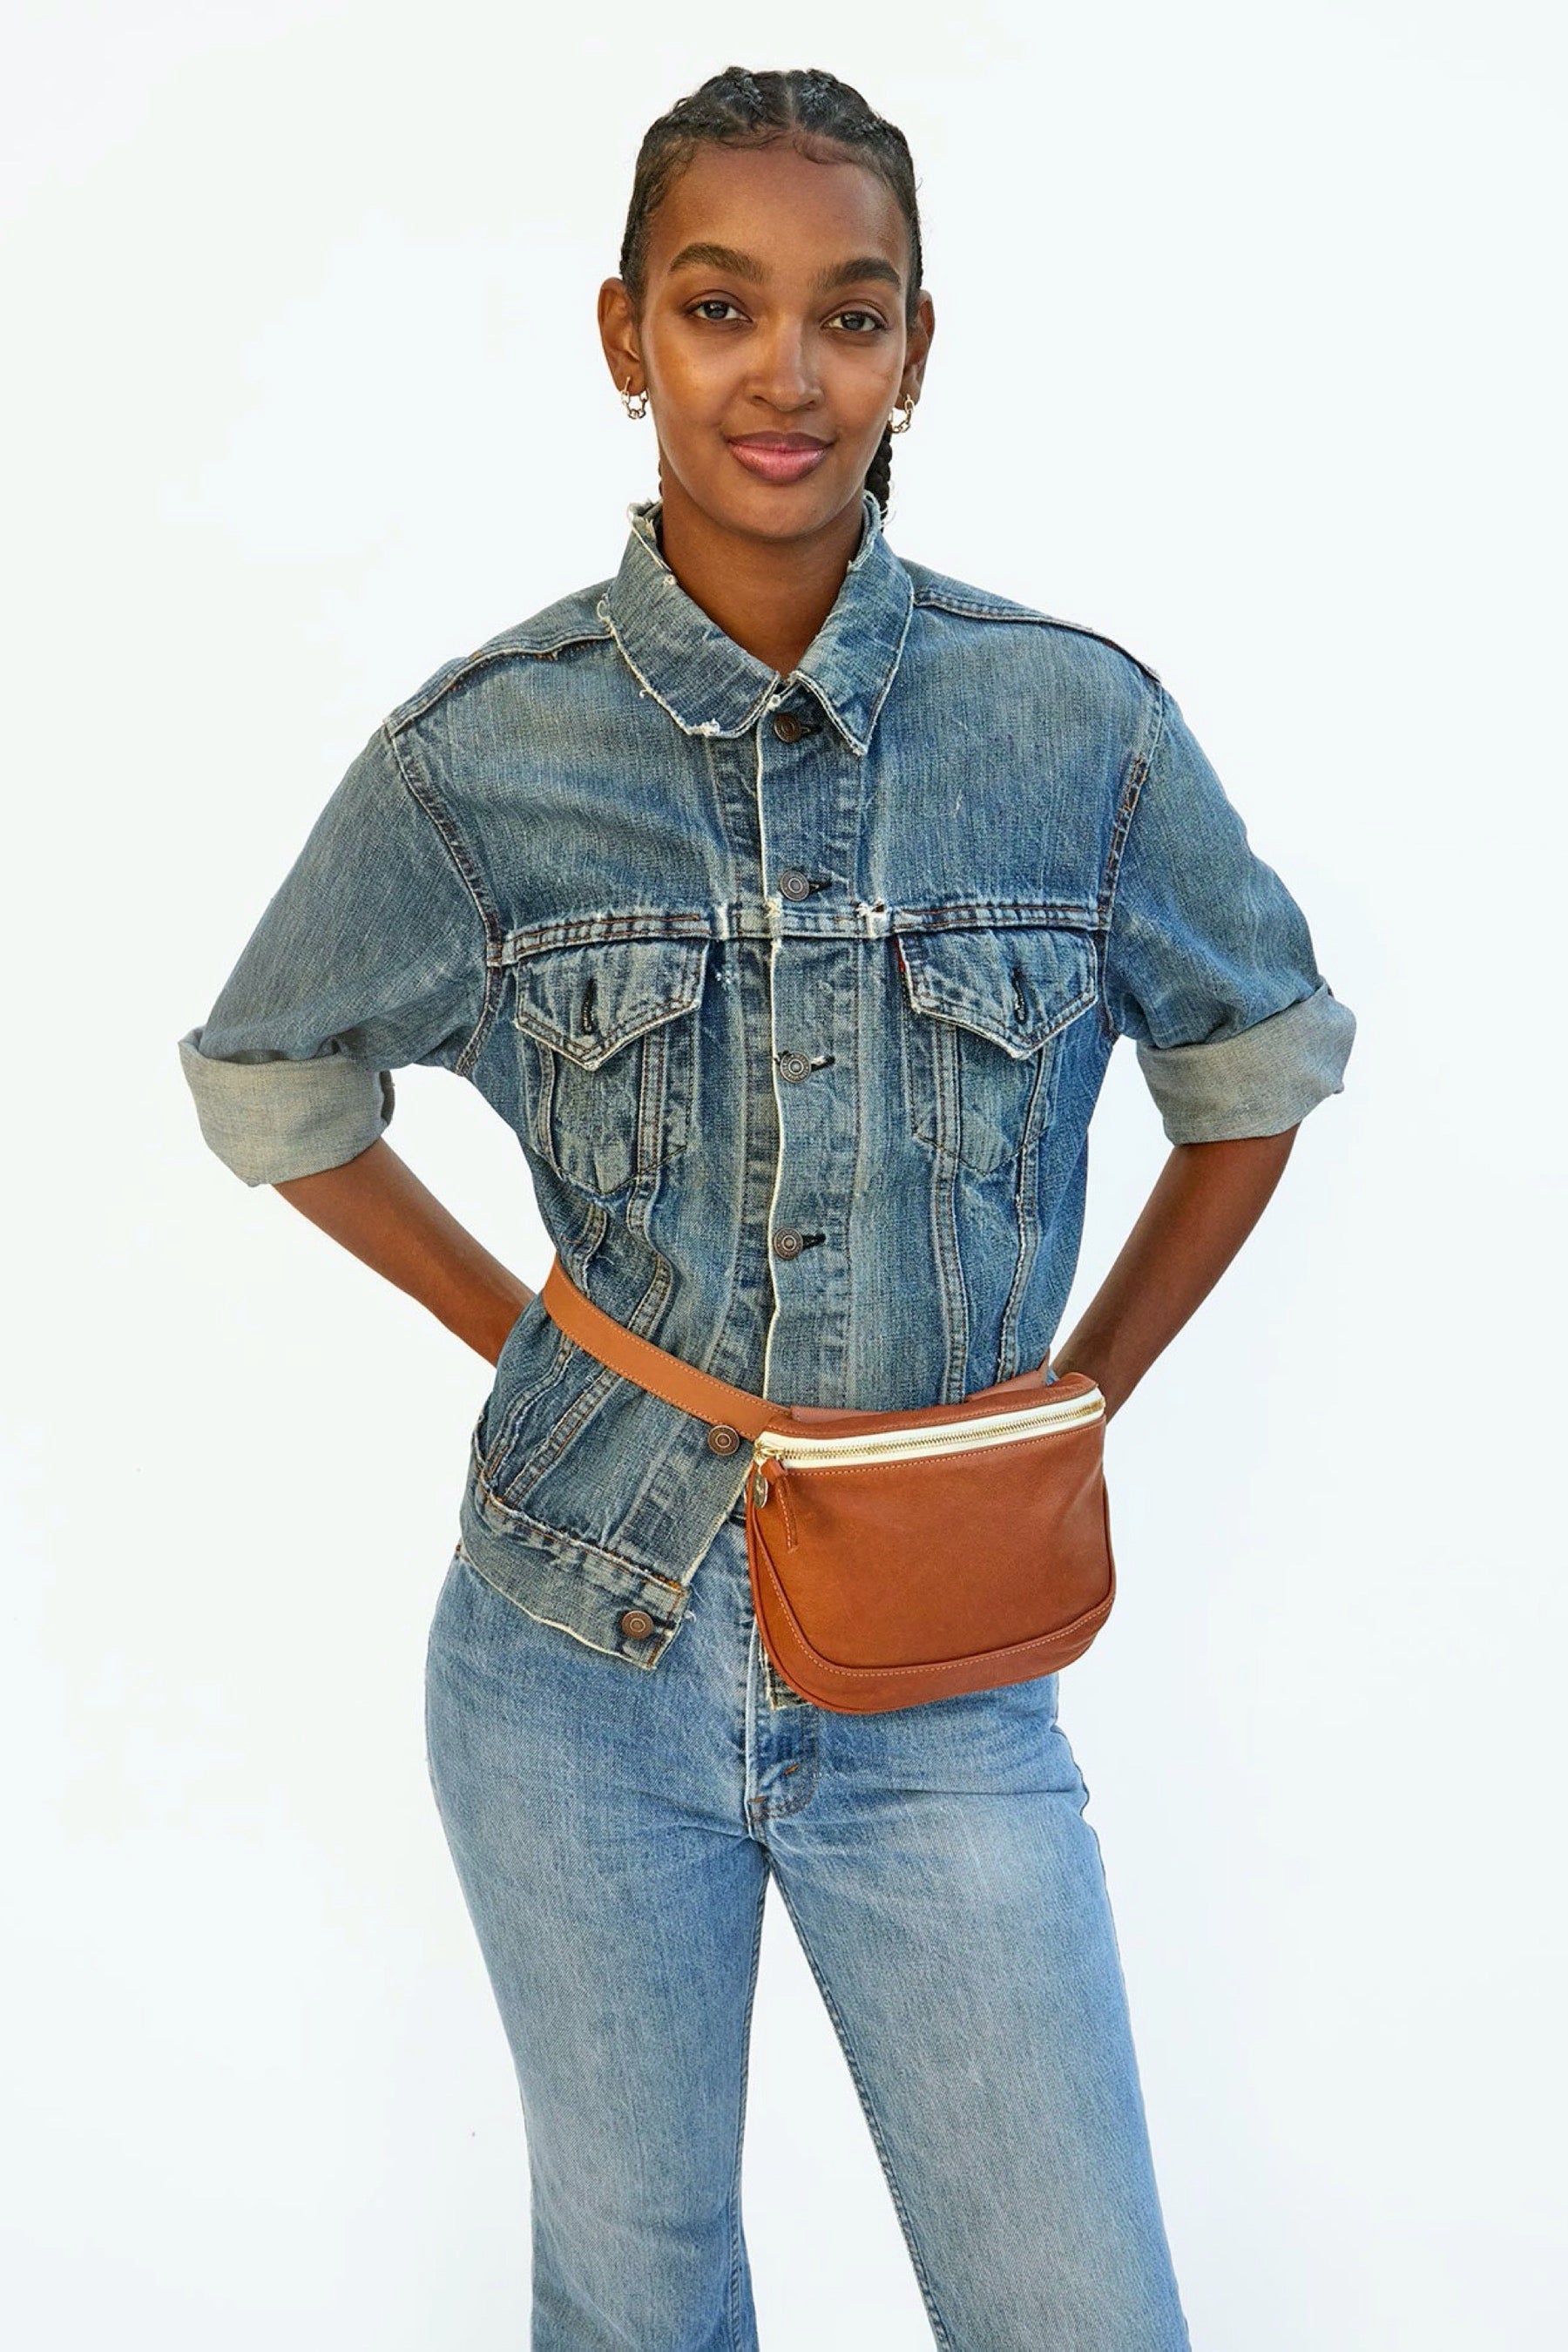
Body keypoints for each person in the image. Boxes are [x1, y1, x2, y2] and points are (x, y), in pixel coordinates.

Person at [177, 64, 1355, 2352]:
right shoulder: (481, 756)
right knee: (635, 2299)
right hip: (570, 1654)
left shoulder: (1075, 730)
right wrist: (530, 1337)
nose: (785, 373)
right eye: (720, 308)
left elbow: (1258, 1066)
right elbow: (271, 1082)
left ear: (920, 348)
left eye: (851, 312)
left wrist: (1070, 1405)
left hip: (946, 1674)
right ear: (626, 336)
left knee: (1078, 2307)